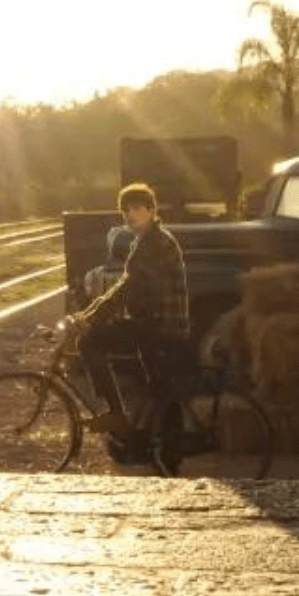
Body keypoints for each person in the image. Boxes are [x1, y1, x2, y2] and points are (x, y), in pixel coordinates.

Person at [73, 182, 190, 436]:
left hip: (159, 325)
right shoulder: (148, 240)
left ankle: (116, 414)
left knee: (89, 342)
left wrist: (92, 318)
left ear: (151, 210)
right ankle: (167, 450)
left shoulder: (154, 243)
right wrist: (92, 312)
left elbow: (129, 287)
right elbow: (127, 285)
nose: (129, 215)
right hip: (156, 323)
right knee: (160, 388)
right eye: (125, 210)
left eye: (136, 208)